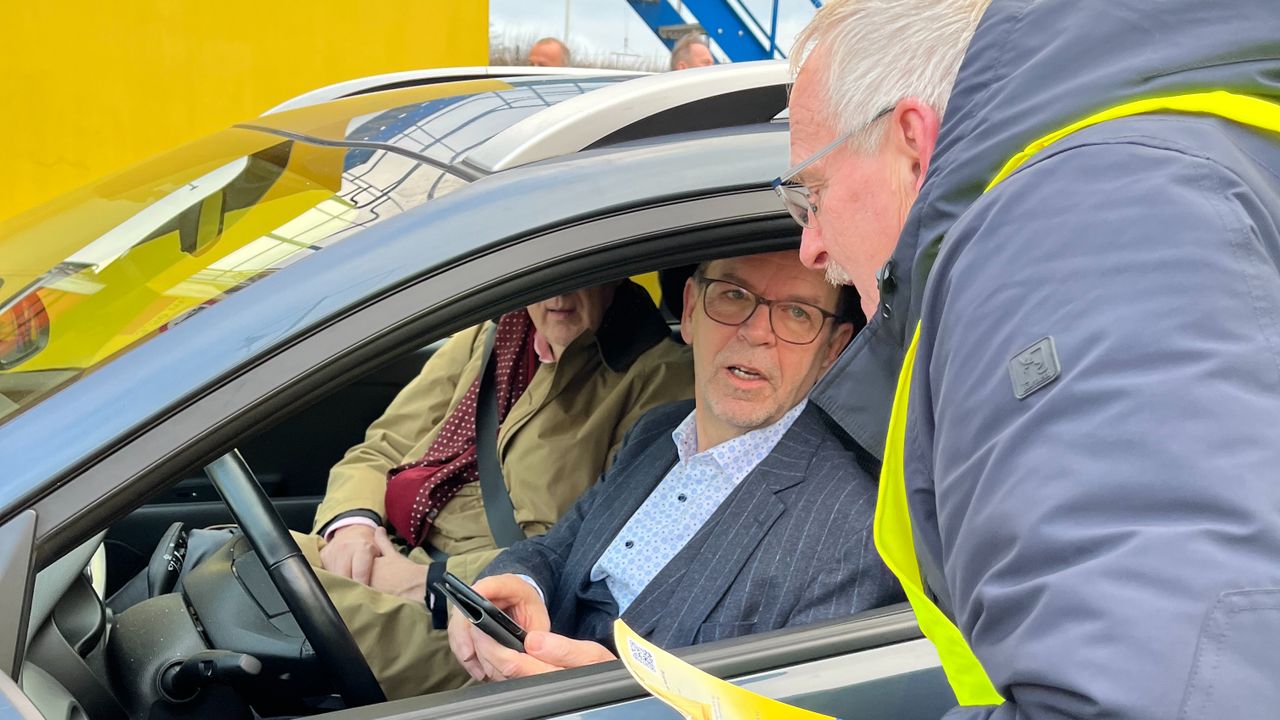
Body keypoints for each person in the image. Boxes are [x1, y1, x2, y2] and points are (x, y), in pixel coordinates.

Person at [782, 0, 1280, 718]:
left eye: (814, 195)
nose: (812, 246)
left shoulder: (1082, 229)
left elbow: (1167, 698)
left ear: (913, 145)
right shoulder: (1159, 173)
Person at [391, 250, 904, 681]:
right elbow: (556, 547)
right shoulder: (656, 433)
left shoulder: (856, 531)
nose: (756, 332)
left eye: (797, 313)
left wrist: (607, 697)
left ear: (833, 350)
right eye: (732, 295)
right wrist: (515, 583)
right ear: (690, 311)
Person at [299, 279, 691, 697]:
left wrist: (426, 581)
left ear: (612, 273)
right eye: (546, 277)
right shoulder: (487, 339)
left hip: (481, 611)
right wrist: (352, 526)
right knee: (234, 555)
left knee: (253, 601)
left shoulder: (659, 377)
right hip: (391, 546)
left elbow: (591, 544)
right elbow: (384, 446)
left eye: (577, 279)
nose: (557, 297)